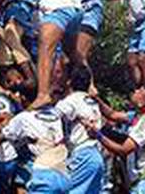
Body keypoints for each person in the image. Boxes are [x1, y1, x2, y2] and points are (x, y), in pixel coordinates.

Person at [54, 65, 105, 194]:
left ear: (69, 81)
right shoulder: (92, 102)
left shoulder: (71, 101)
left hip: (82, 155)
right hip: (96, 155)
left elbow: (54, 115)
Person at [0, 106, 70, 194]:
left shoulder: (23, 117)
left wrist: (3, 123)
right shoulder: (59, 112)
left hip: (42, 170)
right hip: (63, 172)